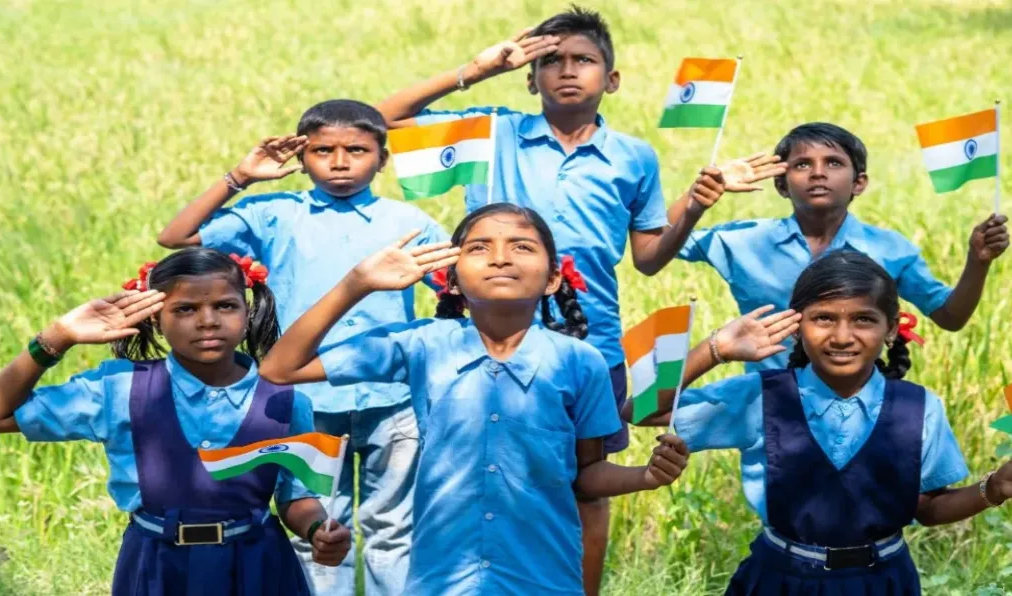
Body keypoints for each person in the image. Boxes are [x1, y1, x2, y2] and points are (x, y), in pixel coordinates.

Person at [376, 9, 782, 588]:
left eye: (584, 60)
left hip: (589, 339)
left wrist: (695, 204)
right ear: (529, 75)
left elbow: (648, 257)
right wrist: (473, 71)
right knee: (483, 474)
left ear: (611, 79)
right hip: (486, 333)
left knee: (586, 485)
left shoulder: (633, 156)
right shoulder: (492, 132)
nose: (568, 71)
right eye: (551, 61)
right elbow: (379, 121)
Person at [260, 204, 690, 595]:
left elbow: (586, 474)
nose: (501, 258)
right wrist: (357, 284)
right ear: (451, 280)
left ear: (553, 278)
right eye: (480, 247)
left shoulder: (582, 362)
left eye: (522, 246)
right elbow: (280, 369)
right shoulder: (422, 344)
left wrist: (646, 475)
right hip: (441, 581)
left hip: (543, 579)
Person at [628, 250, 1012, 594]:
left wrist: (994, 489)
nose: (842, 336)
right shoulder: (760, 396)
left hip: (883, 580)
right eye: (824, 318)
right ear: (797, 327)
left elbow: (926, 507)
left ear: (892, 329)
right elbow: (638, 411)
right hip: (780, 578)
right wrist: (717, 349)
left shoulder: (919, 407)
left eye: (863, 319)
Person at [157, 99, 447, 594]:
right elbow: (176, 237)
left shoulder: (409, 223)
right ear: (301, 156)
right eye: (322, 150)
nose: (339, 162)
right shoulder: (273, 213)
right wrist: (241, 176)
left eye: (356, 149)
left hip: (392, 400)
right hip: (303, 401)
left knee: (394, 531)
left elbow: (460, 291)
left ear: (383, 158)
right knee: (316, 529)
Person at [0, 247, 350, 595]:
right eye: (185, 309)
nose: (207, 321)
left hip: (258, 570)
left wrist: (318, 530)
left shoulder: (284, 399)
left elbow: (295, 496)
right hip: (156, 569)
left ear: (247, 311)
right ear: (156, 318)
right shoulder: (118, 389)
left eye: (225, 306)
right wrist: (58, 337)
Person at [677, 122, 1011, 372]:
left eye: (834, 163)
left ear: (859, 183)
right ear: (781, 184)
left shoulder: (890, 249)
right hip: (770, 402)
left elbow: (949, 316)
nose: (818, 173)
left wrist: (977, 262)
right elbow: (658, 241)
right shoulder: (743, 241)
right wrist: (699, 196)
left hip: (856, 402)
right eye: (802, 164)